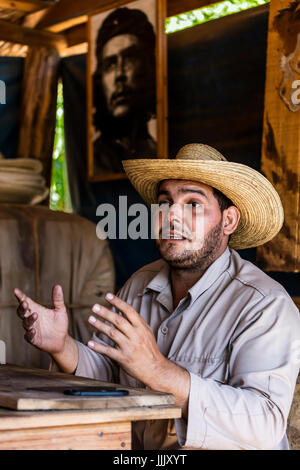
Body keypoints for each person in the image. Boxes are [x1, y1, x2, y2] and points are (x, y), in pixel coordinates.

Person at [15, 143, 300, 450]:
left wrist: (159, 371)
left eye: (193, 204)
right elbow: (108, 375)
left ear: (228, 221)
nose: (173, 217)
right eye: (165, 203)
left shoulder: (263, 304)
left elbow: (265, 425)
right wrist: (63, 346)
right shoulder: (139, 285)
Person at [92, 7, 157, 175]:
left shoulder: (157, 152)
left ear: (149, 67)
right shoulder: (96, 159)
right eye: (110, 65)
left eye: (130, 59)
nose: (119, 74)